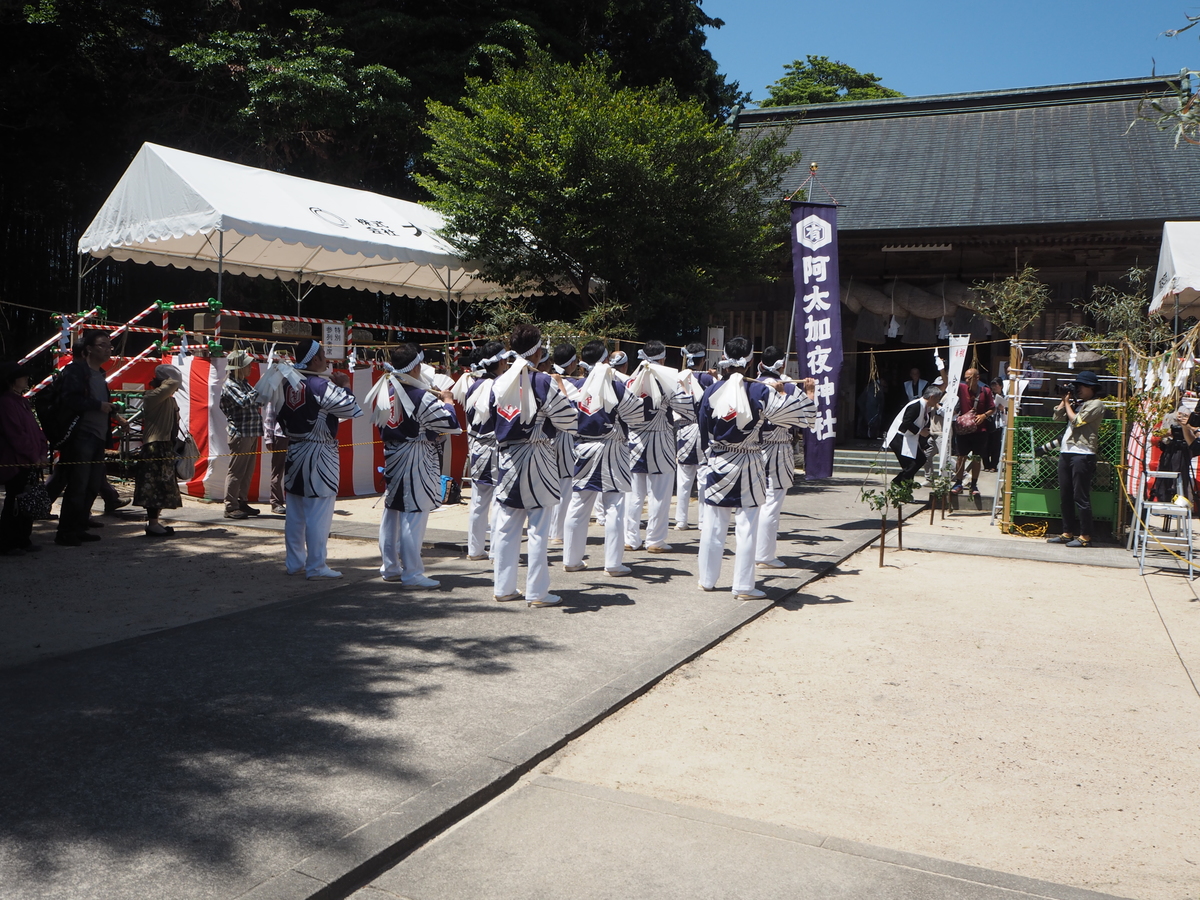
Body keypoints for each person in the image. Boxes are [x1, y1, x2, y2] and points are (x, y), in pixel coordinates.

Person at [697, 336, 816, 599]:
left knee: (714, 525)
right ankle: (743, 586)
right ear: (752, 361)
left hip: (718, 461)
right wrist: (805, 394)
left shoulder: (711, 390)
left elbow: (703, 431)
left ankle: (706, 579)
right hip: (750, 461)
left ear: (725, 357)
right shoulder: (762, 391)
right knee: (747, 526)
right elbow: (804, 418)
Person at [488, 324, 578, 608]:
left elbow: (493, 420)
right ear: (538, 351)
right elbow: (568, 418)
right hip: (537, 456)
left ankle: (503, 587)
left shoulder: (499, 382)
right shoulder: (542, 381)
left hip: (507, 458)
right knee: (539, 526)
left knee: (505, 525)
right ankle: (537, 592)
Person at [258, 338, 363, 579]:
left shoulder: (283, 384)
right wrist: (346, 385)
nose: (327, 359)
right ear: (315, 359)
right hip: (319, 454)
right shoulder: (318, 385)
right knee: (318, 513)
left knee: (295, 514)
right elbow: (351, 408)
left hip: (294, 450)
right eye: (324, 355)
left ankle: (295, 563)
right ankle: (316, 566)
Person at [367, 343, 461, 587]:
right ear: (417, 366)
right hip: (415, 457)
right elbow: (450, 423)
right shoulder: (420, 396)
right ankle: (412, 573)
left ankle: (390, 567)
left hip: (393, 455)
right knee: (414, 514)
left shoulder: (385, 391)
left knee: (393, 511)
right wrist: (448, 401)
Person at [562, 341, 644, 577]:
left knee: (578, 504)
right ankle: (613, 564)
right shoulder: (616, 387)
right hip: (613, 449)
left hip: (583, 448)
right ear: (606, 361)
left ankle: (571, 559)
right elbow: (637, 415)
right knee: (614, 507)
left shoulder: (576, 386)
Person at [623, 340, 687, 553]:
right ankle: (655, 540)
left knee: (633, 494)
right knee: (659, 493)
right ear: (662, 358)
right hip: (660, 440)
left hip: (633, 440)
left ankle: (631, 539)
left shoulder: (630, 380)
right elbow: (686, 407)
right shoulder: (669, 381)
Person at [53, 331, 115, 546]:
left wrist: (114, 414)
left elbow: (101, 402)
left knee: (92, 484)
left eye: (110, 345)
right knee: (77, 485)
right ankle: (66, 532)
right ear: (89, 349)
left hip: (99, 436)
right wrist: (98, 406)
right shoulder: (75, 371)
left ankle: (80, 527)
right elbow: (69, 399)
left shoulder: (101, 374)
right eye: (103, 345)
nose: (108, 349)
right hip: (81, 435)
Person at [455, 343, 509, 560]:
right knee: (499, 500)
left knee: (478, 500)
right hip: (496, 448)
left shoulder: (472, 386)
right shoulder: (501, 386)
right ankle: (496, 550)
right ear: (502, 361)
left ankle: (475, 549)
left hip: (477, 447)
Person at [1046, 370, 1107, 548]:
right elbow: (1056, 417)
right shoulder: (1077, 403)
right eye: (1077, 386)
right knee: (1065, 495)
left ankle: (1085, 535)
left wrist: (1067, 403)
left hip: (1083, 453)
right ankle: (1067, 532)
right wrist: (1064, 401)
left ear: (1091, 388)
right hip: (1066, 451)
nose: (1078, 389)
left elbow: (1077, 421)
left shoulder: (1096, 404)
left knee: (1080, 496)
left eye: (1081, 386)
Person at [754, 347, 801, 568]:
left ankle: (754, 549)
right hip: (778, 447)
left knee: (754, 502)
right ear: (781, 365)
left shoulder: (751, 385)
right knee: (771, 502)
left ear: (761, 364)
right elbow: (806, 415)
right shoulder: (790, 387)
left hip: (752, 447)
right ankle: (764, 554)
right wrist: (808, 391)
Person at [0, 361, 48, 554]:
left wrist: (42, 451)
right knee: (15, 501)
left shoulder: (22, 401)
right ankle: (8, 542)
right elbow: (16, 434)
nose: (26, 379)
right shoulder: (6, 402)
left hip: (30, 460)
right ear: (12, 381)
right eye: (23, 376)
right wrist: (32, 455)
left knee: (27, 499)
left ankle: (23, 538)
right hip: (16, 460)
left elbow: (35, 431)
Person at [134, 364, 184, 537]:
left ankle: (154, 522)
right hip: (154, 447)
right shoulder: (151, 396)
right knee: (153, 487)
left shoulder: (169, 400)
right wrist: (170, 379)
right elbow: (171, 384)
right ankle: (153, 523)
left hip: (165, 447)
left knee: (162, 487)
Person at [674, 342, 714, 531]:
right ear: (703, 359)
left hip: (683, 428)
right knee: (703, 477)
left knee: (684, 478)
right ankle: (702, 520)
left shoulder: (678, 378)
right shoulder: (708, 378)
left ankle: (681, 520)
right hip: (703, 429)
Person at [219, 349, 263, 520]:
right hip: (241, 432)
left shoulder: (243, 383)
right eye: (247, 365)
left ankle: (241, 500)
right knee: (236, 470)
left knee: (247, 470)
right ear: (239, 368)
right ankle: (230, 506)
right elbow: (244, 401)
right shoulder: (230, 385)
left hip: (250, 431)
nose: (250, 367)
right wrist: (259, 390)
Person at [548, 342, 581, 546]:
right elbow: (570, 410)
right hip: (563, 437)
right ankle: (557, 532)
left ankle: (552, 529)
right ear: (571, 364)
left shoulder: (544, 379)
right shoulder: (566, 383)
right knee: (564, 484)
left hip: (546, 438)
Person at [885, 385, 945, 486]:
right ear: (931, 397)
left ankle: (902, 486)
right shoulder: (916, 405)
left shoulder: (925, 406)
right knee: (911, 464)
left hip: (909, 438)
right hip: (899, 438)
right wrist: (920, 431)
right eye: (937, 399)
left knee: (919, 460)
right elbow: (906, 422)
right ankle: (899, 484)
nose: (937, 402)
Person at [951, 367, 995, 499]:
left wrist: (983, 415)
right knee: (960, 456)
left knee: (977, 458)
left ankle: (974, 485)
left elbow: (992, 408)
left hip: (980, 430)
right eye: (965, 377)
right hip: (963, 429)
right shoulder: (962, 388)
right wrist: (943, 369)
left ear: (977, 378)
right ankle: (958, 483)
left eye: (969, 377)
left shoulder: (985, 391)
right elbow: (949, 382)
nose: (967, 380)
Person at [261, 399, 288, 515]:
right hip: (280, 435)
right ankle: (276, 502)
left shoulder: (300, 389)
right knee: (277, 470)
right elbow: (270, 416)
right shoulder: (277, 393)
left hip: (297, 435)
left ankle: (296, 502)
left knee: (297, 469)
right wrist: (268, 438)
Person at [983, 376, 1007, 471]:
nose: (994, 388)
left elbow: (1010, 410)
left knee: (996, 445)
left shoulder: (1006, 397)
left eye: (996, 385)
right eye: (992, 385)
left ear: (1001, 386)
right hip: (988, 422)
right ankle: (986, 465)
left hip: (998, 423)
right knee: (985, 444)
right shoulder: (988, 396)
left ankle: (993, 465)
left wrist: (1003, 409)